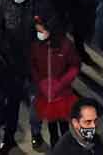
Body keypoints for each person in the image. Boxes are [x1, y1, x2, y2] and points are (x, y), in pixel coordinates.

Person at [31, 17, 81, 153]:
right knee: (52, 128)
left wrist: (60, 83)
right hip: (46, 95)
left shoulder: (65, 45)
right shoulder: (36, 44)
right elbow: (33, 65)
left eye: (41, 30)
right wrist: (41, 82)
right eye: (38, 30)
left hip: (62, 94)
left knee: (64, 127)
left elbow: (75, 66)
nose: (39, 33)